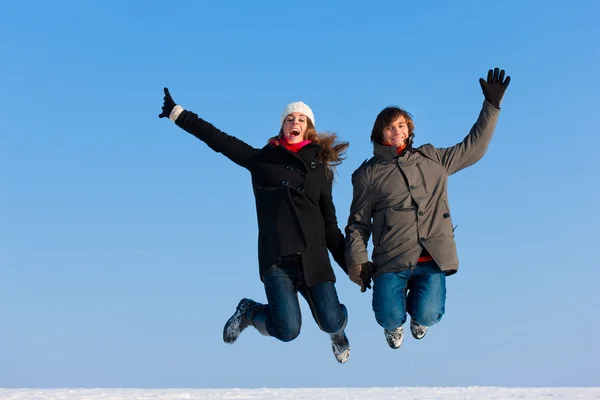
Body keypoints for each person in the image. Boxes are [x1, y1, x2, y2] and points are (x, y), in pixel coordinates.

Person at [158, 91, 351, 363]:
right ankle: (248, 312)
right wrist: (179, 115)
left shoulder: (320, 169)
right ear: (283, 126)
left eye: (300, 119)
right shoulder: (263, 161)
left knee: (332, 321)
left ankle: (337, 334)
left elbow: (330, 224)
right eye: (289, 118)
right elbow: (219, 141)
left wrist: (352, 266)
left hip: (314, 258)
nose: (294, 122)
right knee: (288, 330)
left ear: (308, 129)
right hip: (278, 260)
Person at [344, 68, 511, 349]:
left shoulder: (432, 159)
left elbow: (473, 148)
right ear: (379, 134)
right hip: (390, 259)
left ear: (409, 129)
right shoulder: (367, 174)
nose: (396, 131)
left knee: (430, 314)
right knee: (387, 314)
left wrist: (491, 106)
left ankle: (420, 320)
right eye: (389, 127)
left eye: (400, 125)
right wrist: (357, 260)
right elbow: (358, 224)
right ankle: (394, 326)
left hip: (431, 256)